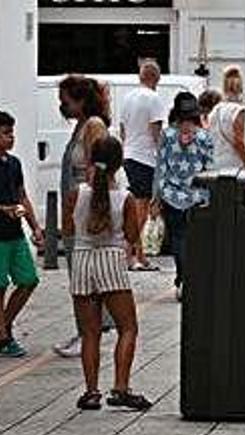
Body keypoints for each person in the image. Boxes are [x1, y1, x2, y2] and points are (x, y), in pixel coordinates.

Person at [63, 135, 152, 411]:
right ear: (119, 164)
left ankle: (91, 392)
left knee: (90, 333)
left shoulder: (77, 194)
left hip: (81, 262)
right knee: (128, 327)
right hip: (111, 262)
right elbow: (133, 236)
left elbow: (66, 230)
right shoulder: (124, 198)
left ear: (90, 160)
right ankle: (121, 387)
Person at [54, 75, 114, 358]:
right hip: (74, 207)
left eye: (65, 101)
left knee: (85, 274)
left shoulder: (93, 126)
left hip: (85, 208)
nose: (61, 106)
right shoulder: (81, 125)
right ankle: (84, 330)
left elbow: (98, 168)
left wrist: (92, 207)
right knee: (78, 273)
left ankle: (90, 333)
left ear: (80, 100)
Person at [153, 92, 212, 302]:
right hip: (198, 196)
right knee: (197, 240)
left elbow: (160, 168)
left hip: (172, 196)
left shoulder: (167, 135)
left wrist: (156, 197)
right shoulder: (205, 137)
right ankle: (195, 280)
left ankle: (182, 279)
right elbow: (210, 167)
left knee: (178, 239)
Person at [0, 111, 43, 357]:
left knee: (28, 280)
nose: (11, 138)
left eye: (12, 133)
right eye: (6, 133)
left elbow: (21, 195)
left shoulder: (14, 163)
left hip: (15, 234)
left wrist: (35, 226)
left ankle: (4, 326)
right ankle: (4, 336)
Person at [119, 60, 164, 272]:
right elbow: (156, 132)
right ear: (156, 78)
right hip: (145, 158)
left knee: (137, 208)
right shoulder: (154, 99)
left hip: (129, 156)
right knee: (141, 210)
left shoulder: (128, 98)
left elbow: (122, 129)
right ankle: (131, 255)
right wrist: (163, 154)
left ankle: (140, 255)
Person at [207, 66, 245, 170]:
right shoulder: (239, 110)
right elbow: (239, 140)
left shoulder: (216, 110)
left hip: (216, 162)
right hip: (234, 164)